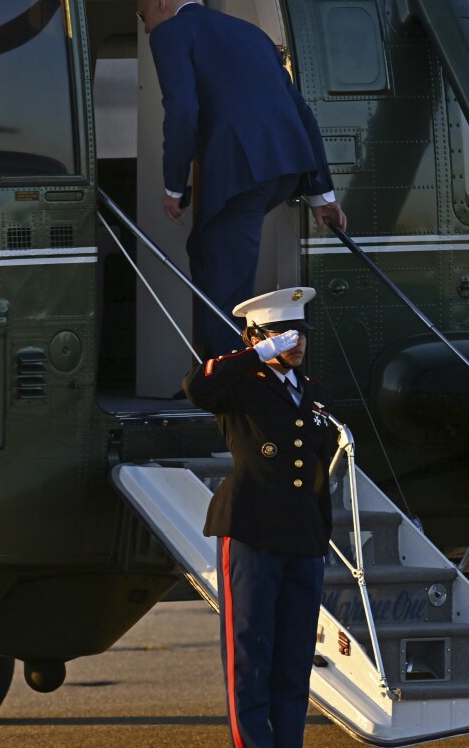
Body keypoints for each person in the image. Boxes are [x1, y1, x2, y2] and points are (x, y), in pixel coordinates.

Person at [138, 0, 346, 358]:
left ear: (160, 1)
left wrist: (173, 186)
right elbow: (302, 112)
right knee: (207, 250)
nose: (147, 28)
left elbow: (182, 109)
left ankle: (226, 381)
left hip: (242, 171)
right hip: (285, 168)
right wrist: (322, 194)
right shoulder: (251, 33)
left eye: (142, 16)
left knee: (223, 278)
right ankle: (217, 368)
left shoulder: (171, 32)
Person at [182, 286, 336, 748]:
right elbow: (197, 386)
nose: (297, 341)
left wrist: (321, 532)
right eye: (284, 333)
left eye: (301, 332)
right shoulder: (240, 385)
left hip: (303, 537)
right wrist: (257, 354)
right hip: (251, 530)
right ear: (256, 337)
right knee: (250, 658)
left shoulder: (311, 393)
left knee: (293, 662)